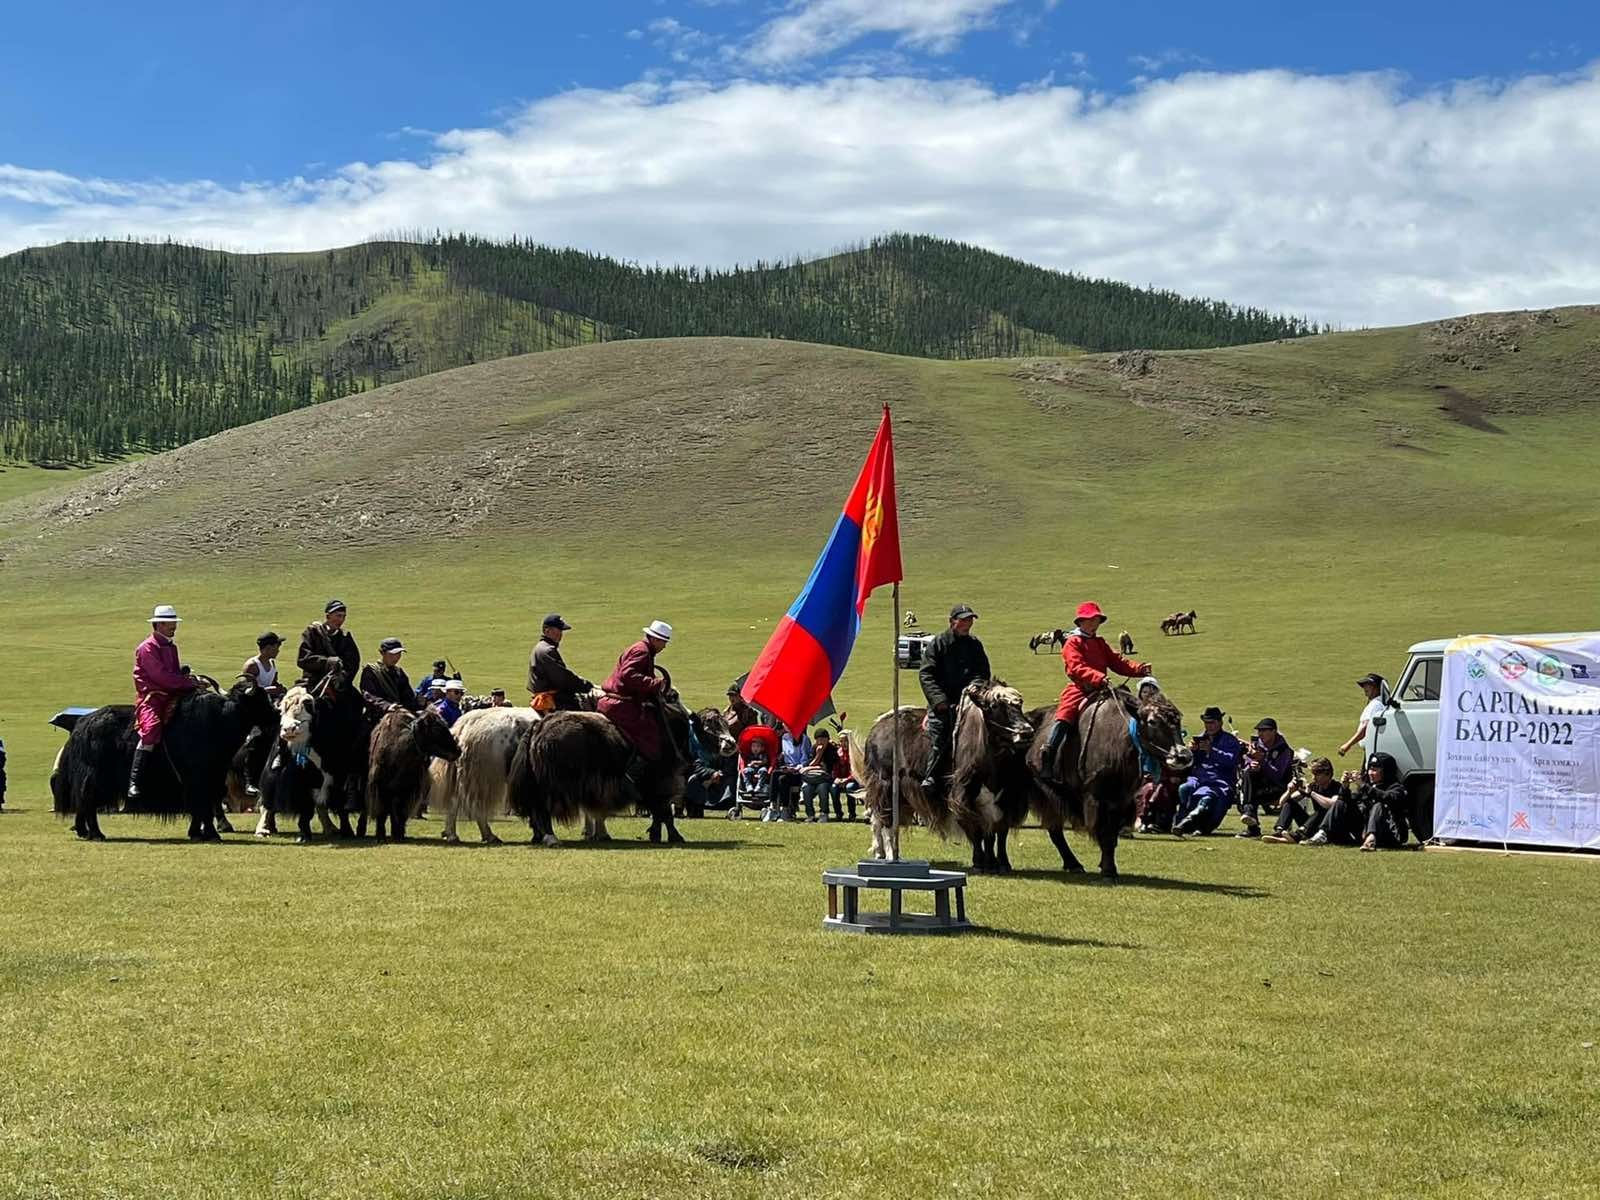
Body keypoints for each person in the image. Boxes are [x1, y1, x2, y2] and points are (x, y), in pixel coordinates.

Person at [1041, 601, 1150, 773]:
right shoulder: (1072, 642)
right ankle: (1049, 752)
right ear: (1081, 622)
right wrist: (1098, 677)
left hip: (1102, 687)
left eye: (1097, 620)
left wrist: (1139, 669)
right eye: (1091, 620)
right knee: (1065, 715)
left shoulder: (1099, 642)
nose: (1095, 623)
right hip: (1081, 688)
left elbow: (1117, 662)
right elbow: (1076, 667)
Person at [918, 604, 992, 799]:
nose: (967, 624)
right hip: (944, 704)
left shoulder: (975, 644)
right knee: (940, 735)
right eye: (964, 620)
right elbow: (927, 674)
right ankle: (931, 776)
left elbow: (983, 671)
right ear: (952, 622)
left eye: (970, 620)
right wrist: (939, 701)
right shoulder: (938, 644)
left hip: (969, 700)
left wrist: (976, 687)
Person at [129, 604, 200, 800]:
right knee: (151, 730)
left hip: (172, 694)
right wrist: (189, 683)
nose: (173, 627)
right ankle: (135, 780)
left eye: (174, 623)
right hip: (152, 696)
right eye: (170, 624)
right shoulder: (147, 648)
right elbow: (160, 677)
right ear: (158, 624)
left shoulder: (171, 646)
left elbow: (173, 675)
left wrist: (188, 679)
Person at [597, 621, 674, 769]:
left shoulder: (640, 649)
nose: (664, 646)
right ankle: (634, 774)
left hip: (613, 702)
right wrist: (656, 684)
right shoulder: (643, 651)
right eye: (664, 642)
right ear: (655, 639)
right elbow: (628, 675)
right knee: (649, 736)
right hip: (622, 706)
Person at [1173, 707, 1243, 836]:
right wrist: (1193, 751)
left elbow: (1232, 760)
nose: (1209, 726)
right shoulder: (1199, 739)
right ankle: (1181, 820)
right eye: (1206, 723)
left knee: (1208, 795)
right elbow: (1193, 763)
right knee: (1184, 788)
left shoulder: (1230, 740)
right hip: (1199, 778)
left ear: (1220, 723)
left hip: (1220, 779)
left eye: (1212, 722)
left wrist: (1212, 750)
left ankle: (1190, 821)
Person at [1263, 756, 1354, 844]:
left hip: (1331, 827)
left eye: (1317, 774)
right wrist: (1289, 791)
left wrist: (1311, 793)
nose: (1313, 778)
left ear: (1328, 774)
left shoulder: (1337, 787)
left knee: (1321, 811)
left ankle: (1297, 836)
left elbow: (1331, 804)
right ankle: (1280, 831)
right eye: (1313, 774)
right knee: (1290, 803)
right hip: (1314, 825)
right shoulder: (1313, 786)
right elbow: (1282, 803)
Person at [1236, 717, 1294, 838]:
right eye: (1259, 731)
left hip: (1279, 788)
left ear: (1274, 731)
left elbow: (1277, 775)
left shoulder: (1284, 750)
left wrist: (1262, 761)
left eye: (1264, 730)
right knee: (1248, 775)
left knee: (1247, 796)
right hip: (1260, 787)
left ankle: (1252, 826)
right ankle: (1250, 816)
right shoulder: (1257, 746)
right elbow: (1246, 762)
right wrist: (1251, 764)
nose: (1260, 734)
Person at [528, 615, 594, 711]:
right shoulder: (547, 650)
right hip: (553, 699)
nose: (560, 634)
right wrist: (586, 686)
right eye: (558, 630)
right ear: (547, 631)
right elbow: (562, 678)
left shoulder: (542, 648)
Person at [297, 599, 361, 688]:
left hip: (339, 684)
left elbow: (353, 663)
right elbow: (303, 660)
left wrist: (341, 680)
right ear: (328, 616)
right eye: (338, 616)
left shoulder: (345, 637)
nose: (341, 620)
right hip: (313, 682)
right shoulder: (313, 633)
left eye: (343, 616)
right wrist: (328, 662)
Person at [1357, 751, 1411, 851]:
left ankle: (1371, 840)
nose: (1370, 773)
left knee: (1378, 805)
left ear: (1386, 771)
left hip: (1393, 835)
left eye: (1374, 770)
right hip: (1367, 831)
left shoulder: (1397, 788)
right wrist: (1344, 788)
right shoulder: (1369, 787)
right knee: (1346, 804)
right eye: (1369, 769)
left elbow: (1386, 797)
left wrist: (1364, 786)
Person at [360, 637, 422, 713]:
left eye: (398, 654)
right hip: (377, 715)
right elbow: (369, 695)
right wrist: (386, 706)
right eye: (392, 654)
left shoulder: (399, 672)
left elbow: (408, 695)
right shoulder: (371, 671)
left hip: (399, 712)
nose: (396, 657)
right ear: (382, 653)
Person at [1339, 673, 1389, 760]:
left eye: (1369, 685)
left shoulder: (1375, 704)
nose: (1365, 688)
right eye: (1364, 685)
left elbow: (1366, 727)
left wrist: (1348, 745)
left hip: (1372, 750)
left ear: (1377, 687)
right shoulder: (1381, 703)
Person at [800, 728, 839, 822]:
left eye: (823, 739)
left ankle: (824, 813)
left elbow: (826, 769)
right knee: (806, 788)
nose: (821, 742)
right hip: (813, 778)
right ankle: (810, 814)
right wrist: (818, 754)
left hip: (826, 779)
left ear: (828, 739)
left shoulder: (832, 749)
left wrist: (819, 756)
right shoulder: (814, 748)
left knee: (822, 788)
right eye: (818, 739)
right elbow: (810, 764)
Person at [776, 725, 813, 819]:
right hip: (788, 769)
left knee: (782, 779)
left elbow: (805, 760)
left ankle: (785, 809)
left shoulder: (804, 739)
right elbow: (785, 756)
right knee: (775, 774)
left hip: (799, 772)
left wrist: (796, 768)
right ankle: (773, 805)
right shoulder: (784, 738)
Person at [829, 731, 863, 821]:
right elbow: (834, 768)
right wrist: (836, 778)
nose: (843, 743)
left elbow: (855, 771)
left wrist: (846, 780)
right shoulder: (837, 753)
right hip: (840, 780)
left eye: (845, 741)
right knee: (833, 788)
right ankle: (838, 813)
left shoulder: (854, 753)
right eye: (841, 741)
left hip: (852, 780)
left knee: (850, 787)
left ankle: (852, 814)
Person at [243, 631, 286, 699]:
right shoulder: (252, 665)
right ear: (268, 648)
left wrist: (279, 688)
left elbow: (273, 683)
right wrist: (267, 691)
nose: (278, 651)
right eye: (276, 647)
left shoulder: (272, 663)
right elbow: (248, 690)